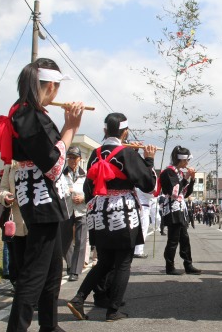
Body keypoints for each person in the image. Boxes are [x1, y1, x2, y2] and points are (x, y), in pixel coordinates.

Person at [0, 58, 84, 332]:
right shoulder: (27, 114)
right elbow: (55, 164)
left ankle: (48, 326)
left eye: (58, 85)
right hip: (39, 199)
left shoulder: (34, 114)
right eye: (51, 85)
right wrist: (71, 128)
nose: (55, 91)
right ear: (37, 85)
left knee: (54, 267)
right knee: (35, 270)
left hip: (50, 199)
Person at [67, 113, 157, 321]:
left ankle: (80, 298)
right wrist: (148, 160)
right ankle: (113, 309)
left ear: (105, 131)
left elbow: (89, 185)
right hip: (122, 209)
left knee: (105, 260)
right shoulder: (126, 153)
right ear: (125, 132)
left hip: (99, 209)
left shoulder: (95, 154)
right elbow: (148, 184)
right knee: (123, 261)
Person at [160, 146, 202, 275]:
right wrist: (185, 178)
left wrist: (192, 179)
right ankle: (169, 266)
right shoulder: (169, 172)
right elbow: (175, 192)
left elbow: (185, 192)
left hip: (181, 208)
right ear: (181, 160)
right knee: (173, 239)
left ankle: (188, 264)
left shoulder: (180, 173)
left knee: (184, 238)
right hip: (172, 209)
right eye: (186, 160)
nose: (188, 163)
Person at [0, 160, 28, 288]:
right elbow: (2, 188)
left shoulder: (40, 160)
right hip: (18, 223)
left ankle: (34, 295)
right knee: (18, 261)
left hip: (38, 222)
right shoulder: (10, 166)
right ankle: (22, 292)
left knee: (35, 262)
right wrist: (5, 196)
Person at [60, 146, 88, 281]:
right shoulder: (61, 174)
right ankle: (71, 264)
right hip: (66, 209)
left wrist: (83, 198)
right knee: (64, 241)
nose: (72, 160)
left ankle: (75, 271)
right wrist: (68, 191)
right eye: (69, 157)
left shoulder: (86, 174)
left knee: (80, 240)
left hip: (82, 210)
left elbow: (92, 193)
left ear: (79, 159)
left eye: (74, 157)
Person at [133, 186, 155, 259]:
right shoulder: (142, 186)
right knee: (143, 229)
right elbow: (151, 195)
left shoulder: (135, 186)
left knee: (136, 229)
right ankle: (138, 251)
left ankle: (134, 249)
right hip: (143, 207)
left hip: (137, 206)